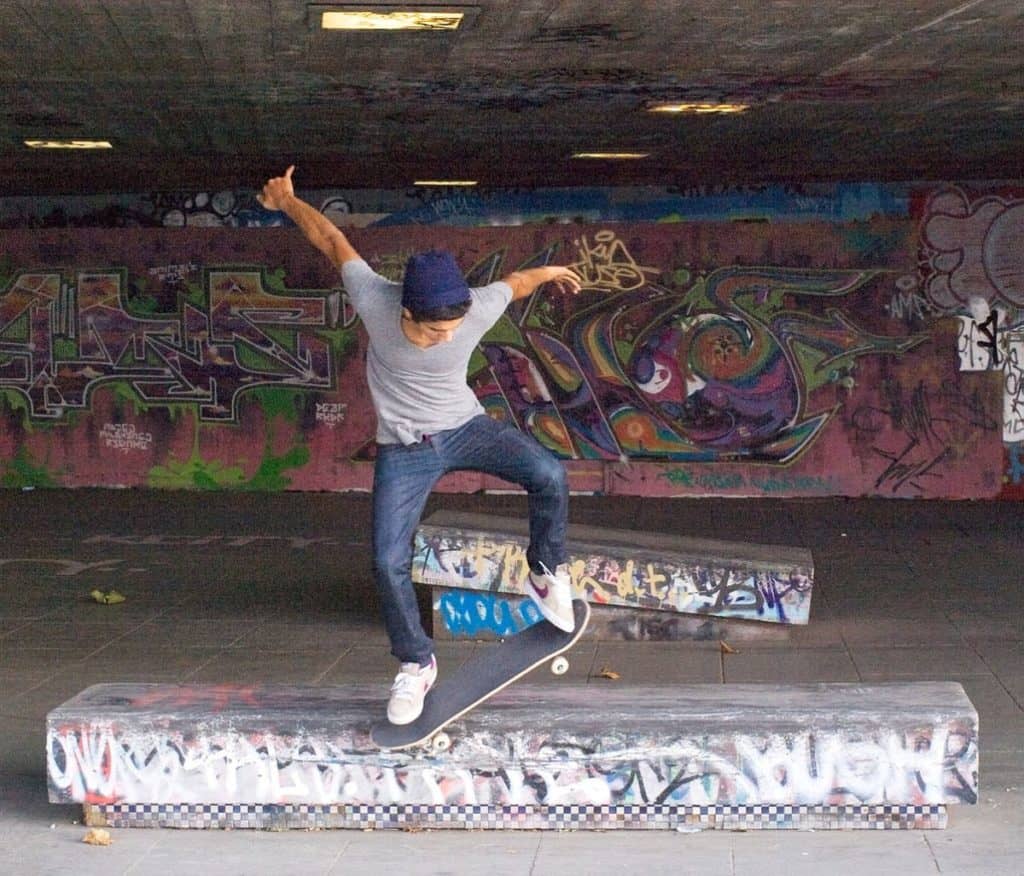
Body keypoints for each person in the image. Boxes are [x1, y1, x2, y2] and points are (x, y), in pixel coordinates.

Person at [258, 166, 582, 724]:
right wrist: (288, 202)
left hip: (466, 427)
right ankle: (416, 663)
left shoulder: (473, 308)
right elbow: (332, 239)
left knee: (549, 474)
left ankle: (543, 570)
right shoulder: (374, 299)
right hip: (406, 448)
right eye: (435, 332)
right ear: (405, 310)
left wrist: (553, 270)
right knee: (386, 563)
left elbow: (519, 282)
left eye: (454, 328)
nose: (448, 338)